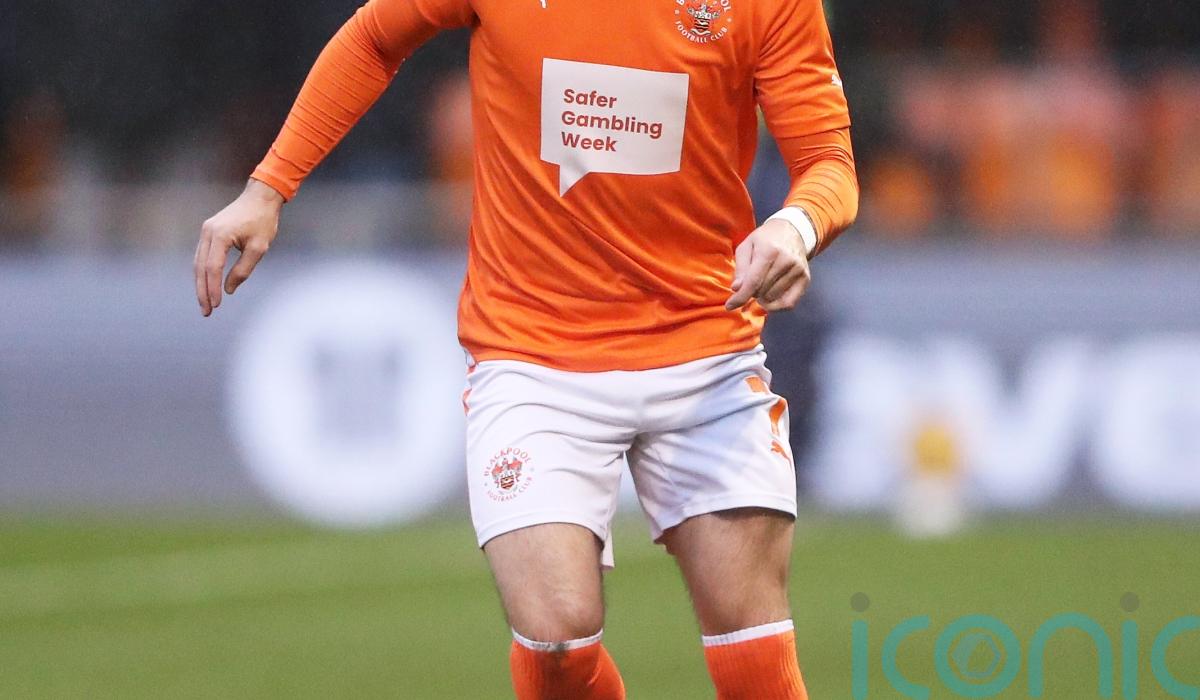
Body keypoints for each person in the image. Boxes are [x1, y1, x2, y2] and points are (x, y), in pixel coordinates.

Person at [194, 0, 858, 696]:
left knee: (752, 646)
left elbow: (829, 164)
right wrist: (269, 186)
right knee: (556, 641)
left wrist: (795, 225)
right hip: (533, 355)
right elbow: (374, 37)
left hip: (706, 349)